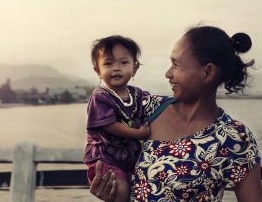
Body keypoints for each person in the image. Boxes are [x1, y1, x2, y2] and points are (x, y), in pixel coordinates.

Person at [90, 26, 262, 202]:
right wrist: (116, 195)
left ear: (208, 72)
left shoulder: (235, 139)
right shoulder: (148, 108)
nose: (168, 74)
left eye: (176, 64)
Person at [84, 35, 151, 202]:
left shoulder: (138, 94)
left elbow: (155, 104)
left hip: (129, 157)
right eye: (108, 63)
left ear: (134, 69)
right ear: (97, 70)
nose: (116, 68)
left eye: (123, 62)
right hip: (105, 157)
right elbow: (109, 125)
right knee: (120, 190)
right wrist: (139, 134)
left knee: (142, 188)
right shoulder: (100, 97)